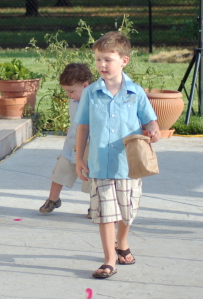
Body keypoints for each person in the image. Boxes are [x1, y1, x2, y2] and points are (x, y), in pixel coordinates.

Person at [74, 31, 160, 279]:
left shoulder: (135, 92)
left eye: (107, 59)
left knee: (127, 211)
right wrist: (80, 158)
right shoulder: (90, 93)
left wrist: (153, 130)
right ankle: (109, 259)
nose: (101, 64)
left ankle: (122, 242)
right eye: (98, 59)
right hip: (99, 164)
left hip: (128, 165)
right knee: (105, 213)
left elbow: (151, 122)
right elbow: (83, 127)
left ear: (124, 60)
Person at [39, 63, 93, 217]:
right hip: (72, 144)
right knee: (61, 170)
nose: (69, 95)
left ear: (85, 85)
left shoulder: (95, 100)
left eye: (71, 91)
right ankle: (53, 199)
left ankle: (95, 205)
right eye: (67, 92)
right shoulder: (74, 101)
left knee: (91, 176)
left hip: (90, 145)